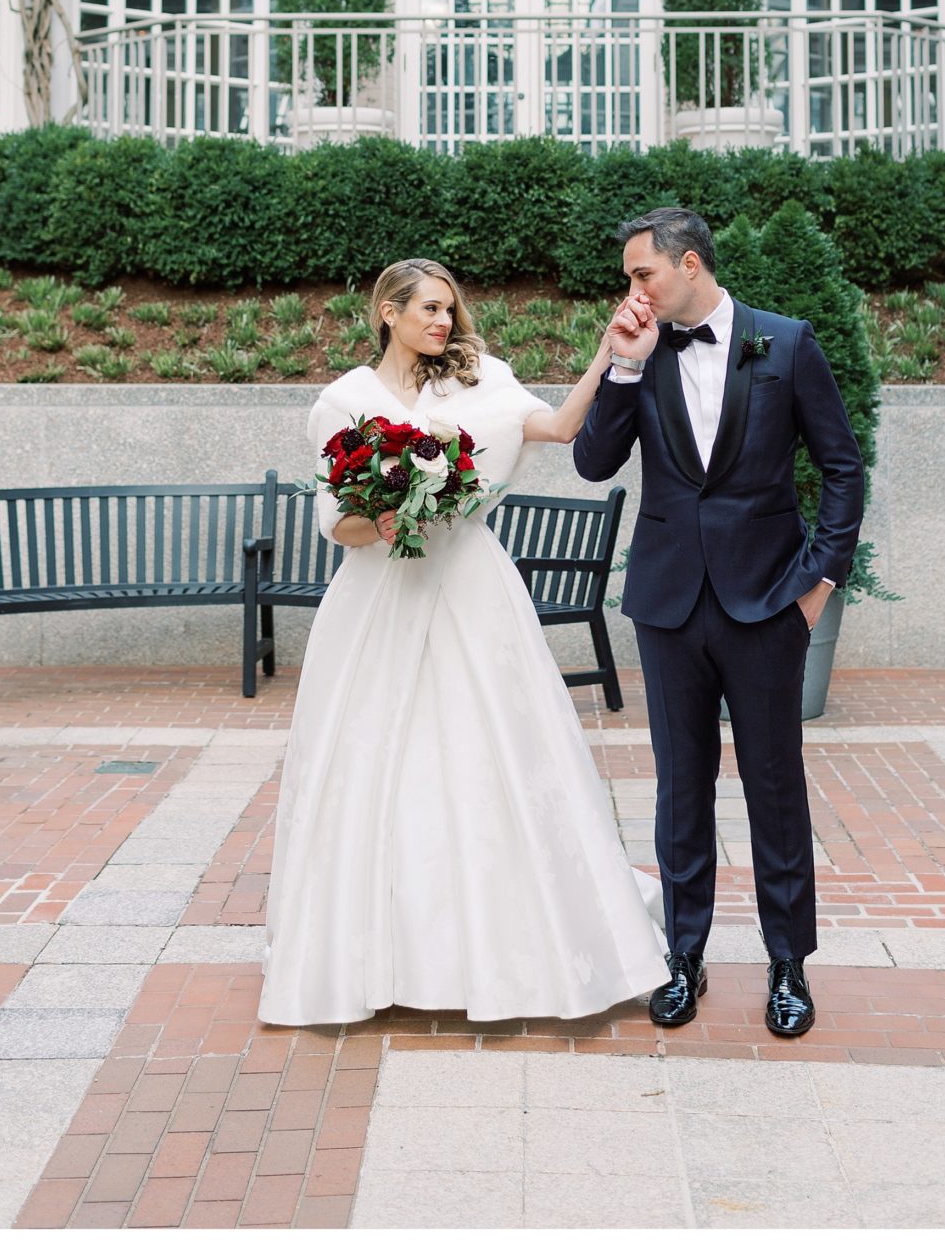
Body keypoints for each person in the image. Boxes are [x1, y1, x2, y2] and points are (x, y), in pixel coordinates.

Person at [259, 257, 669, 1027]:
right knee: (375, 762)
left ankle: (510, 955)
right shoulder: (344, 401)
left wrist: (610, 353)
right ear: (387, 311)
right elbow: (338, 525)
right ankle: (371, 960)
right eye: (427, 309)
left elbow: (560, 426)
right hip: (380, 598)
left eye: (449, 308)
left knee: (492, 755)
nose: (443, 321)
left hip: (472, 586)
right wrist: (385, 516)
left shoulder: (482, 380)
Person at [573, 207, 865, 1037]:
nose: (632, 290)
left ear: (689, 265)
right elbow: (593, 462)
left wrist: (819, 582)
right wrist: (621, 369)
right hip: (669, 605)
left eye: (642, 275)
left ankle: (787, 967)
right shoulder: (640, 351)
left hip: (767, 600)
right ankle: (683, 957)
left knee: (775, 787)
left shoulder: (785, 342)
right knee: (678, 789)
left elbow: (842, 467)